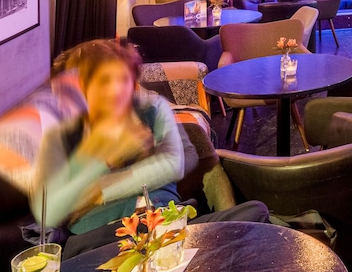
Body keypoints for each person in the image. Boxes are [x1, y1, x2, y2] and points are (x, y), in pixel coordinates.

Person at [32, 39, 268, 259]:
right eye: (104, 82)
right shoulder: (59, 137)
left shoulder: (152, 110)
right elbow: (49, 210)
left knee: (253, 213)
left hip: (167, 224)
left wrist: (97, 192)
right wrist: (101, 159)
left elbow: (173, 164)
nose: (117, 90)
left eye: (124, 79)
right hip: (101, 240)